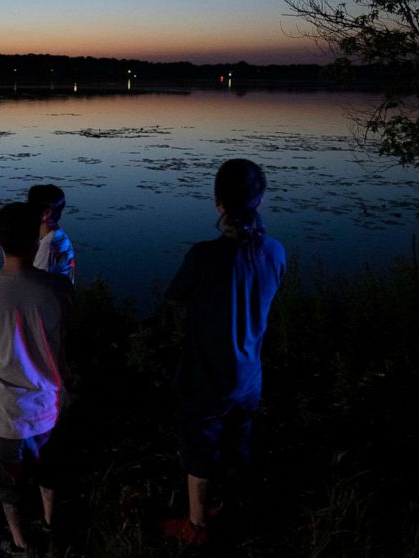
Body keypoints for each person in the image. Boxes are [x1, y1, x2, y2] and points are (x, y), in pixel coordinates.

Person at [160, 159, 286, 545]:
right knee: (238, 444)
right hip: (249, 377)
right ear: (259, 200)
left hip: (207, 377)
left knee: (198, 449)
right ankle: (232, 509)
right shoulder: (276, 252)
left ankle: (197, 526)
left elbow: (174, 296)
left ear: (218, 204)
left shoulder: (204, 255)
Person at [0, 202, 74, 553]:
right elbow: (68, 334)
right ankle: (51, 528)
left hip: (2, 413)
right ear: (35, 240)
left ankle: (20, 542)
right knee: (49, 473)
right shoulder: (58, 289)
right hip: (48, 407)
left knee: (7, 484)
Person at [27, 184, 75, 283]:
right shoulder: (59, 236)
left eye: (29, 206)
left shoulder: (49, 245)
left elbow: (36, 284)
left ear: (45, 214)